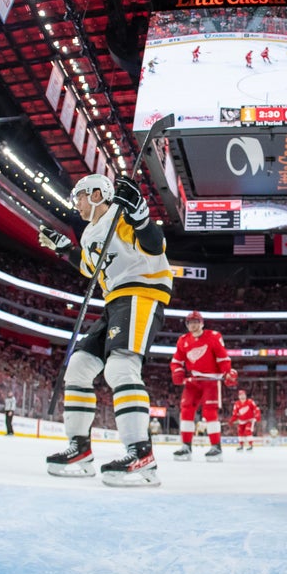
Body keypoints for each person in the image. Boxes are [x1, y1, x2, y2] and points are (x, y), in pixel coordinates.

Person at [37, 173, 172, 487]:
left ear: (97, 193)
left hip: (141, 293)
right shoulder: (88, 233)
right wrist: (64, 249)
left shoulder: (121, 214)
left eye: (81, 196)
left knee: (121, 367)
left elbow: (154, 245)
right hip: (114, 301)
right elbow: (89, 267)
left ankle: (142, 454)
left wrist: (140, 215)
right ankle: (80, 449)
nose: (77, 203)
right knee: (79, 368)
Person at [169, 310, 237, 461]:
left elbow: (222, 356)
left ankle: (216, 447)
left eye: (195, 322)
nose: (193, 325)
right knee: (186, 411)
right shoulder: (183, 340)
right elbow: (177, 361)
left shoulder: (213, 337)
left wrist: (227, 372)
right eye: (190, 322)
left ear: (201, 323)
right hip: (193, 381)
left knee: (210, 413)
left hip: (211, 381)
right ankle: (186, 446)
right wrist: (177, 372)